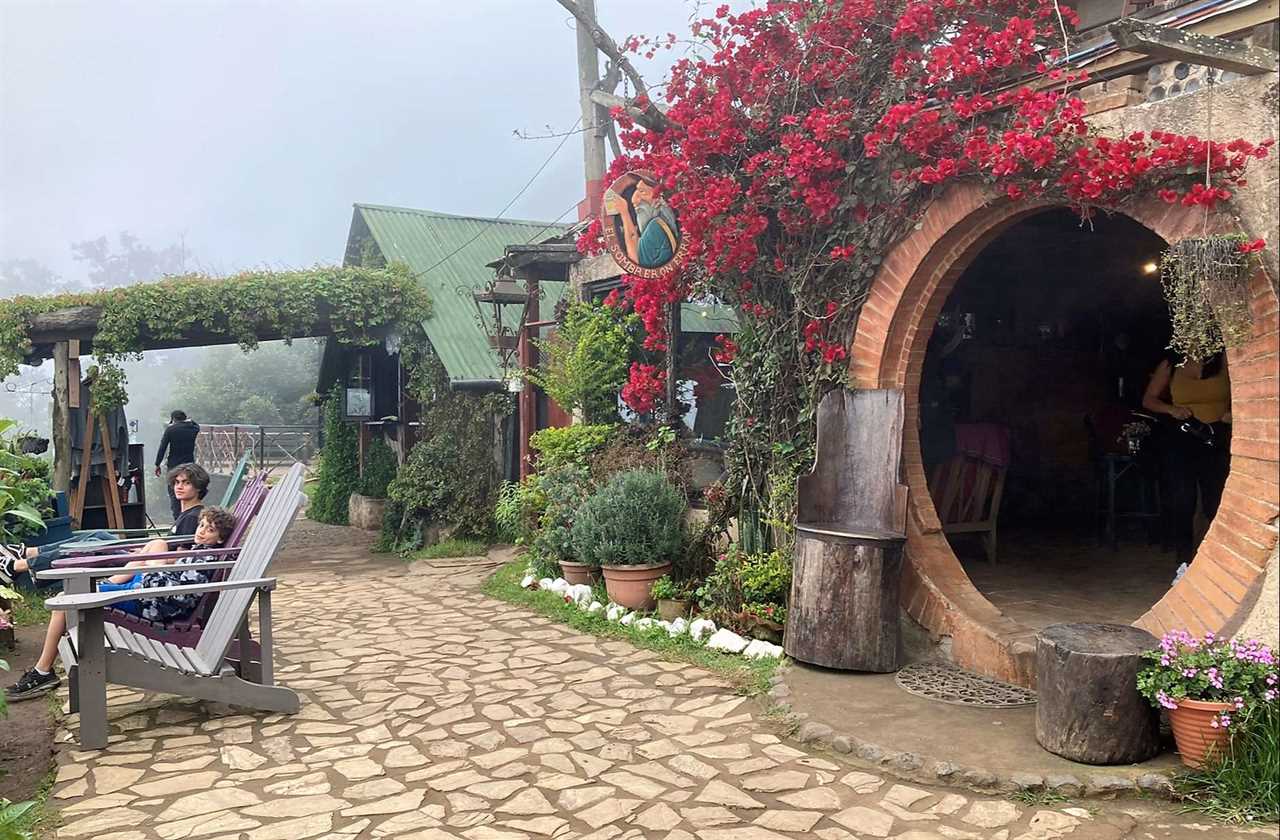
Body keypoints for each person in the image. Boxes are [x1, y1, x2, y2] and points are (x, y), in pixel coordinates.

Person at [4, 506, 236, 702]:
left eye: (210, 529)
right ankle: (44, 668)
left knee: (67, 602)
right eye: (201, 526)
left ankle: (42, 671)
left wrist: (150, 574)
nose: (202, 531)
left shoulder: (205, 559)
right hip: (147, 593)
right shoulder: (201, 552)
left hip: (149, 602)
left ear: (221, 538)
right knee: (154, 545)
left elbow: (183, 596)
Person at [1, 463, 211, 591]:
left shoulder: (194, 517)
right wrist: (143, 550)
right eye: (176, 482)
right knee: (99, 534)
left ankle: (19, 565)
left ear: (199, 487)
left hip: (147, 565)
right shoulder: (186, 514)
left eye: (186, 483)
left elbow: (183, 556)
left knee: (91, 545)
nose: (179, 487)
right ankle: (27, 552)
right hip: (144, 556)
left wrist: (144, 553)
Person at [1142, 351, 1232, 565]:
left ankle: (1216, 559)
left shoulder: (1223, 360)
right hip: (1183, 436)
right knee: (1183, 500)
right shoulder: (1172, 363)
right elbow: (1148, 399)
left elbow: (1245, 390)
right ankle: (1183, 561)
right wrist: (1171, 409)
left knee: (1216, 500)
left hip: (1216, 436)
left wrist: (1232, 411)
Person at [605, 173, 680, 269]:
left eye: (642, 192)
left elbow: (635, 260)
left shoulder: (655, 227)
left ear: (658, 199)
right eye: (637, 190)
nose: (634, 200)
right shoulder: (659, 225)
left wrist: (624, 213)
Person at [156, 411, 200, 518]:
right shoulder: (193, 429)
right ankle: (189, 516)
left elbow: (162, 447)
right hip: (189, 466)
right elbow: (196, 424)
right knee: (190, 492)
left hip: (174, 467)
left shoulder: (170, 430)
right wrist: (189, 421)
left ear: (173, 419)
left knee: (174, 493)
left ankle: (177, 518)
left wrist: (157, 464)